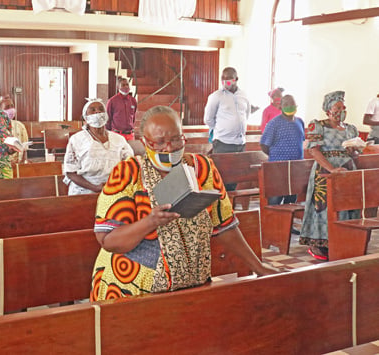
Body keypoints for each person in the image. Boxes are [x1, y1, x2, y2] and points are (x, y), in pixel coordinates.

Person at [90, 106, 278, 301]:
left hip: (192, 281)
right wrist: (150, 222)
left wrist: (258, 267)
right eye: (159, 142)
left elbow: (224, 225)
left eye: (176, 139)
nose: (169, 148)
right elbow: (108, 241)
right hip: (132, 288)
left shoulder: (203, 168)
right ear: (145, 142)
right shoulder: (128, 173)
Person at [300, 91, 361, 261]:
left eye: (344, 107)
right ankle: (319, 245)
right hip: (325, 172)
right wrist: (331, 169)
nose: (342, 110)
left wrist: (353, 152)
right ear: (328, 110)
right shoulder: (318, 126)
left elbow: (355, 155)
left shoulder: (350, 128)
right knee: (323, 207)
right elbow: (314, 150)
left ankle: (344, 241)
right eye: (338, 107)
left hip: (347, 173)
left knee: (346, 206)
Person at [63, 99, 133, 195]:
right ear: (86, 118)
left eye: (101, 109)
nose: (98, 112)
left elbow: (129, 164)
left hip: (114, 189)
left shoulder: (119, 139)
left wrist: (116, 184)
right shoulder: (76, 139)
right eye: (92, 110)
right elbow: (70, 172)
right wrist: (95, 187)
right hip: (84, 191)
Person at [204, 67, 251, 191]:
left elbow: (246, 115)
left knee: (235, 177)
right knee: (222, 178)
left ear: (236, 79)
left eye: (228, 79)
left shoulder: (243, 95)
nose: (225, 82)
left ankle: (230, 205)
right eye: (223, 79)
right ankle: (221, 205)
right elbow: (208, 119)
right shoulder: (216, 96)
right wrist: (222, 129)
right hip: (223, 143)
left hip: (240, 143)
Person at [260, 94, 306, 205]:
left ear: (296, 106)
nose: (289, 106)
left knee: (291, 199)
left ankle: (287, 222)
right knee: (275, 200)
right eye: (286, 104)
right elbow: (264, 145)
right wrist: (277, 156)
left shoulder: (300, 122)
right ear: (280, 106)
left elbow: (301, 141)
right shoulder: (273, 123)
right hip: (277, 168)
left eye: (292, 104)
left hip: (295, 168)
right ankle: (272, 222)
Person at [0, 95, 28, 163]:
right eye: (7, 107)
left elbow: (25, 149)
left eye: (12, 106)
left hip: (18, 164)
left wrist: (23, 163)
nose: (11, 109)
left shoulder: (20, 126)